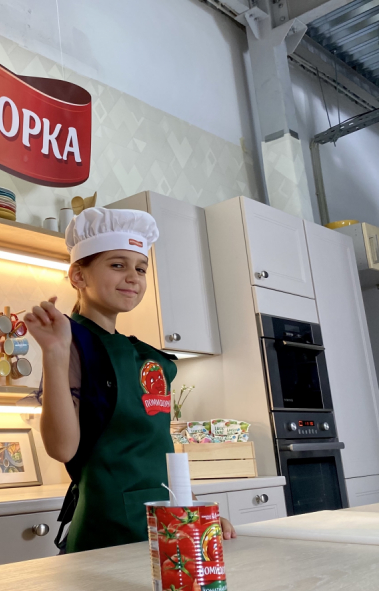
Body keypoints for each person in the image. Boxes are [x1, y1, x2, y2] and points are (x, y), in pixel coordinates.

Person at [24, 207, 236, 554]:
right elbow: (62, 449)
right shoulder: (72, 342)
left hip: (166, 524)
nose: (133, 277)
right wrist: (54, 351)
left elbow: (156, 455)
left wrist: (192, 510)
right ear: (78, 276)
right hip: (107, 532)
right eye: (117, 265)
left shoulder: (147, 357)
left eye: (141, 268)